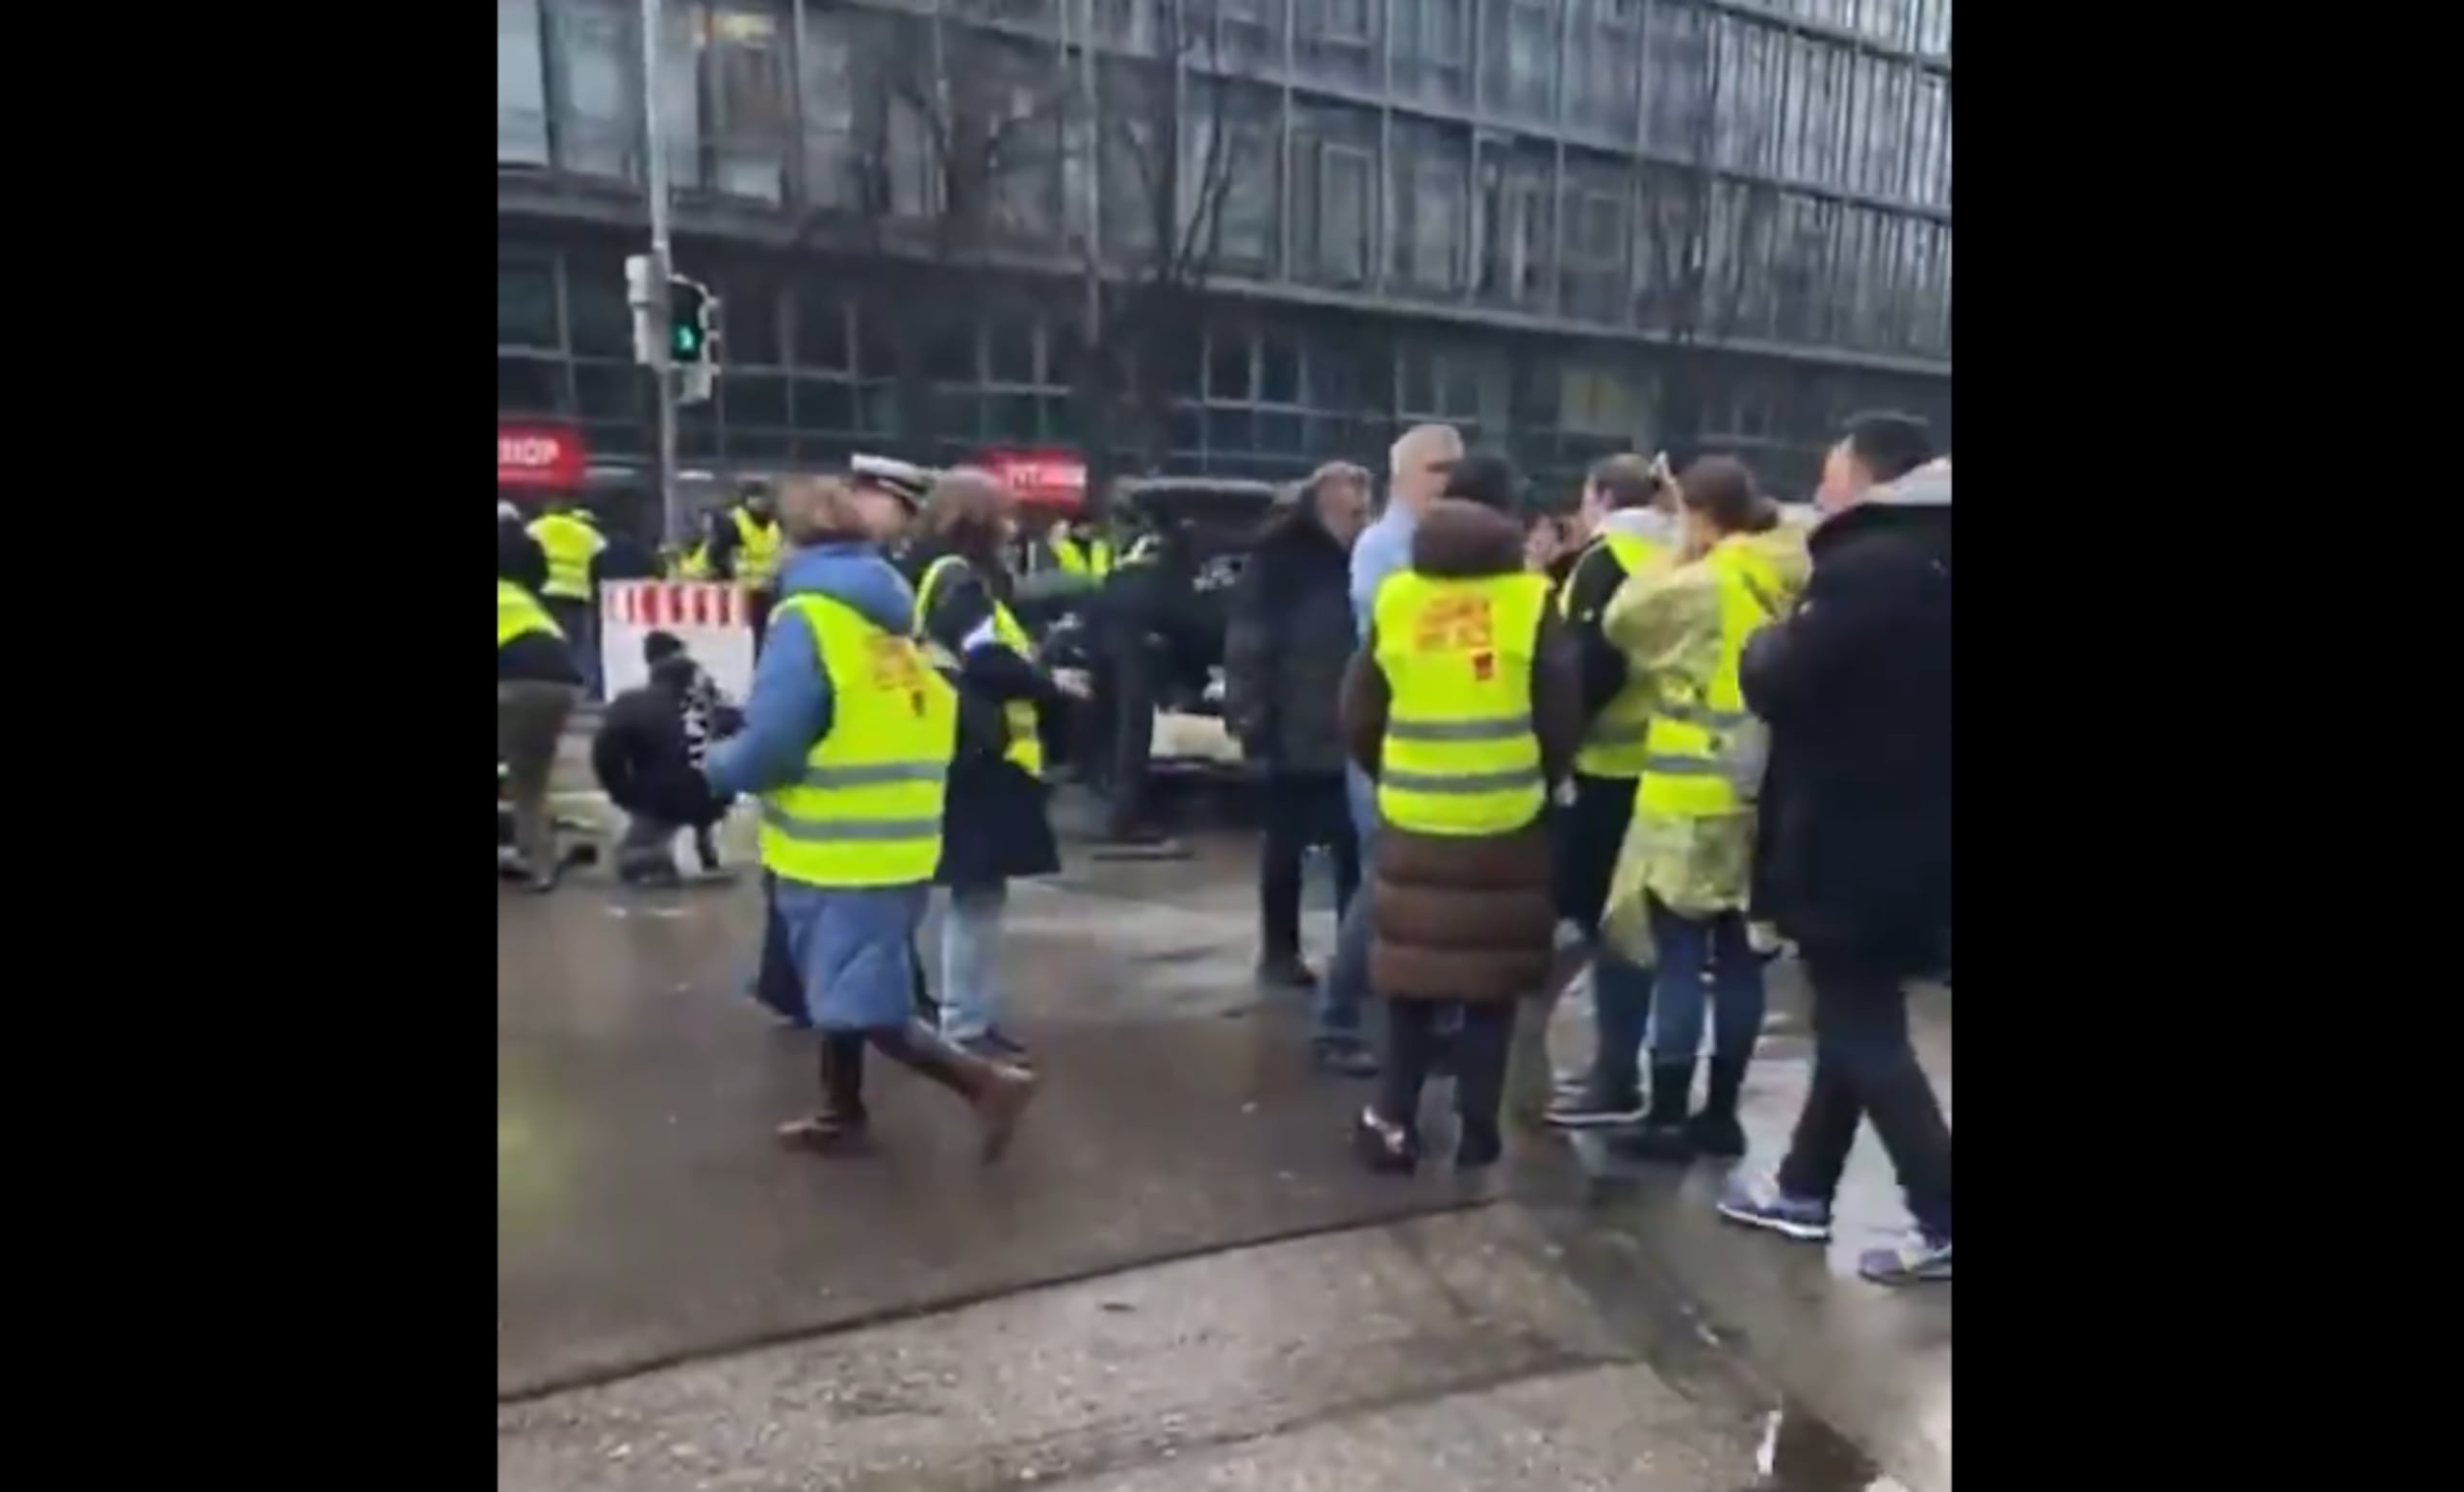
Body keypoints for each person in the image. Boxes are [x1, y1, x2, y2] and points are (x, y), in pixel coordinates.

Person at [704, 474, 1040, 1158]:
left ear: (794, 540)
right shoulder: (886, 615)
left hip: (835, 843)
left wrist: (711, 771)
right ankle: (841, 1109)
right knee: (845, 980)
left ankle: (986, 1085)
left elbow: (775, 741)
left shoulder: (809, 619)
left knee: (867, 1001)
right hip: (895, 837)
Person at [1715, 419, 1951, 1286]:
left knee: (1861, 1022)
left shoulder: (1871, 570)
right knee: (1853, 1017)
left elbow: (1783, 676)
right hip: (1919, 829)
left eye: (1830, 473)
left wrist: (1762, 643)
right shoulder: (1933, 562)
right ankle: (1804, 1188)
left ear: (1870, 478)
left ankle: (1942, 1205)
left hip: (1849, 831)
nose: (1821, 492)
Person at [1341, 450, 1582, 1173]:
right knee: (1492, 984)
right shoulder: (1530, 601)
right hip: (1507, 818)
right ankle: (1479, 1128)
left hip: (1415, 814)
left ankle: (1395, 1118)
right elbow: (1559, 709)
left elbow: (1359, 710)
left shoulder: (1398, 599)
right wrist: (1543, 778)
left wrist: (1397, 768)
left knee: (1410, 979)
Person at [1594, 456, 1809, 1161]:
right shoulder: (1783, 573)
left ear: (1701, 514)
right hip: (1763, 794)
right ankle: (1720, 1116)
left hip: (1689, 800)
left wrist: (1673, 553)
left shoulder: (1702, 584)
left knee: (1680, 960)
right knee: (1742, 959)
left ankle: (1664, 1116)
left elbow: (1625, 620)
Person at [904, 469, 1084, 1063]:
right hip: (980, 754)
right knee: (976, 894)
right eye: (1003, 515)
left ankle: (936, 1011)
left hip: (951, 745)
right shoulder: (958, 581)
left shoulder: (925, 571)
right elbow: (987, 661)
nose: (1012, 527)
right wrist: (1049, 683)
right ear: (976, 520)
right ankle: (965, 1023)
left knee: (952, 890)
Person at [1309, 423, 1466, 1077]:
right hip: (1392, 739)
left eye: (1456, 468)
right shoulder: (1385, 547)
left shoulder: (1438, 544)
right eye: (1437, 469)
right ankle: (1337, 1019)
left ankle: (1421, 1019)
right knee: (1384, 881)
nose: (1449, 481)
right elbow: (1398, 639)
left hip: (1438, 743)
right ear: (1402, 474)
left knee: (1426, 885)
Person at [1542, 453, 1684, 1129]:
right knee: (1635, 925)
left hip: (1605, 770)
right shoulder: (1680, 551)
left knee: (1604, 924)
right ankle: (1624, 1069)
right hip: (1666, 761)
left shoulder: (1607, 560)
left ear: (1598, 495)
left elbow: (1588, 666)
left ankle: (1614, 1074)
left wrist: (1560, 745)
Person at [1224, 461, 1372, 988]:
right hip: (1290, 726)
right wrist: (1251, 721)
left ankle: (1353, 958)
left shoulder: (1357, 558)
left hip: (1343, 726)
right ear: (1324, 501)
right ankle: (1279, 952)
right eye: (1352, 499)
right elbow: (1248, 646)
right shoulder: (1281, 560)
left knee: (1352, 847)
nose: (1360, 509)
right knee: (1285, 847)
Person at [591, 632, 736, 886]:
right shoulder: (719, 707)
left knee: (632, 858)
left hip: (659, 800)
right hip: (712, 798)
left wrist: (627, 796)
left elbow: (605, 756)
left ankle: (662, 852)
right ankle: (699, 838)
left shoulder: (631, 703)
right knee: (694, 772)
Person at [499, 533, 584, 893]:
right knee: (530, 783)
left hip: (516, 685)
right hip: (563, 687)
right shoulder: (520, 598)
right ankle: (537, 864)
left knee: (519, 775)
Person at [526, 496, 606, 698]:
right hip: (579, 594)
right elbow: (602, 552)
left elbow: (526, 552)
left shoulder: (537, 527)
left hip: (548, 592)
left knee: (548, 641)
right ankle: (587, 689)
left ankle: (547, 685)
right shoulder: (586, 532)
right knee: (580, 645)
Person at [705, 480, 784, 650]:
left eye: (764, 498)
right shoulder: (733, 522)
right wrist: (725, 578)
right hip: (742, 591)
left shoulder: (776, 523)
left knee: (768, 636)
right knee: (749, 638)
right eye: (757, 498)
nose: (761, 503)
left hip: (770, 589)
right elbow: (717, 555)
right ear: (747, 500)